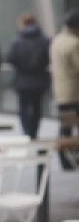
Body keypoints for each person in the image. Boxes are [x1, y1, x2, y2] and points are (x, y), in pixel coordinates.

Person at [6, 12, 52, 138]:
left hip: (22, 80)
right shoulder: (45, 40)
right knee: (37, 107)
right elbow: (49, 58)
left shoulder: (17, 41)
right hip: (39, 79)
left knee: (23, 107)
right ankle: (33, 131)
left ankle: (26, 130)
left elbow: (10, 58)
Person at [54, 11, 79, 169]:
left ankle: (65, 159)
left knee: (66, 127)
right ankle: (72, 157)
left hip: (62, 94)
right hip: (75, 94)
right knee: (71, 127)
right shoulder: (74, 43)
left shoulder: (57, 40)